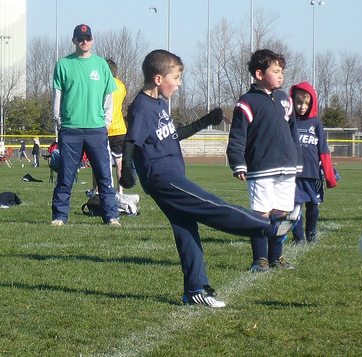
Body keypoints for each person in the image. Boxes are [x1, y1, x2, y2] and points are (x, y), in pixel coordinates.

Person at [119, 49, 296, 308]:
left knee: (186, 230)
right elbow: (131, 140)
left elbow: (172, 135)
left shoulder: (158, 104)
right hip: (162, 177)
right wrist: (127, 172)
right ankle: (268, 227)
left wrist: (204, 122)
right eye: (176, 78)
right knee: (211, 205)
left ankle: (195, 290)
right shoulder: (141, 107)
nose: (179, 84)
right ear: (159, 79)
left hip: (172, 174)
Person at [227, 49, 302, 273]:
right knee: (260, 214)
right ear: (259, 74)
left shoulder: (285, 100)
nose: (281, 76)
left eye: (282, 72)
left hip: (287, 166)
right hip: (261, 168)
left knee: (282, 213)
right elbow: (238, 136)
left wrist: (296, 159)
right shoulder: (247, 102)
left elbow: (292, 131)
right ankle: (259, 259)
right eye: (276, 71)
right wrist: (238, 162)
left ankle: (276, 256)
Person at [51, 24, 120, 227]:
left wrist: (105, 123)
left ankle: (111, 216)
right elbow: (58, 96)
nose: (84, 41)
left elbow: (109, 97)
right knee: (65, 176)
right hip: (70, 130)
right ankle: (59, 216)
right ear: (74, 41)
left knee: (104, 176)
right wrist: (59, 122)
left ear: (92, 40)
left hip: (96, 129)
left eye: (88, 38)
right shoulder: (63, 64)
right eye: (81, 38)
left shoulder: (101, 65)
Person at [289, 82, 337, 245]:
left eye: (306, 104)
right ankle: (299, 237)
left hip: (312, 174)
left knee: (313, 207)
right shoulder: (290, 121)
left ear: (312, 104)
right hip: (294, 174)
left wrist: (329, 176)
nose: (302, 107)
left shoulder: (315, 123)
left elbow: (323, 150)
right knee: (295, 207)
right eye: (299, 103)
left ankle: (311, 232)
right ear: (293, 102)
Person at [87, 58, 127, 197]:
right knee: (119, 161)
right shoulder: (121, 85)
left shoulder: (102, 84)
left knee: (96, 160)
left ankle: (96, 190)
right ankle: (120, 191)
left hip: (103, 127)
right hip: (120, 129)